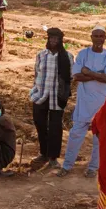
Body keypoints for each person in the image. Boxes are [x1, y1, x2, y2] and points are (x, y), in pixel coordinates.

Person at [58, 25, 106, 177]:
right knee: (75, 135)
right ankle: (67, 166)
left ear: (105, 38)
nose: (98, 39)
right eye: (95, 36)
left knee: (99, 138)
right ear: (91, 38)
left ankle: (93, 168)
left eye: (101, 36)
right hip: (83, 103)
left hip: (101, 104)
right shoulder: (83, 53)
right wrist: (98, 75)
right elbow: (77, 76)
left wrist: (87, 72)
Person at [30, 27, 74, 170]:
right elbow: (36, 74)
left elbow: (70, 77)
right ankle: (43, 153)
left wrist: (65, 93)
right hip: (40, 96)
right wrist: (35, 90)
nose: (53, 41)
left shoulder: (67, 56)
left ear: (61, 40)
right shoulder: (41, 55)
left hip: (57, 98)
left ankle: (53, 157)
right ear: (48, 39)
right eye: (51, 38)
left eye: (56, 39)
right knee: (40, 125)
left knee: (55, 127)